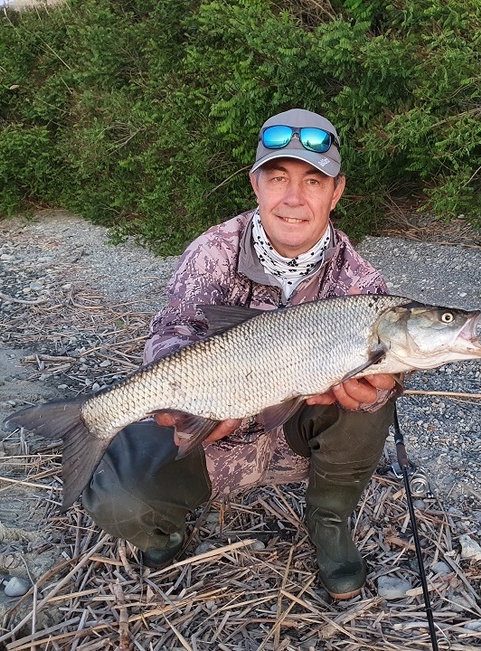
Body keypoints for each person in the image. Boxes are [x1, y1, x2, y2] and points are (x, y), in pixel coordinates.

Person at [82, 108, 397, 600]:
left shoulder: (362, 285)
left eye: (314, 181)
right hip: (210, 429)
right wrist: (189, 406)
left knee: (377, 387)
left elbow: (393, 368)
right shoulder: (213, 251)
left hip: (293, 434)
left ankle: (329, 520)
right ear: (256, 185)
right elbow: (172, 330)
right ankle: (163, 528)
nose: (294, 198)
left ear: (336, 193)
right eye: (278, 178)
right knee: (122, 498)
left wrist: (376, 393)